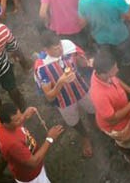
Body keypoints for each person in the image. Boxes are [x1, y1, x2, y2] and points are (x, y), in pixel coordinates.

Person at [34, 30, 95, 158]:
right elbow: (49, 96)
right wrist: (60, 82)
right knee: (74, 121)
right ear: (45, 49)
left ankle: (96, 125)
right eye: (55, 49)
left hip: (81, 88)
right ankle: (85, 137)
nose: (60, 50)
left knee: (93, 109)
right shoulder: (41, 66)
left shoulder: (68, 45)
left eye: (60, 46)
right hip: (64, 100)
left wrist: (87, 62)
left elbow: (80, 61)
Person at [89, 49, 130, 171]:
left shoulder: (101, 73)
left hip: (125, 113)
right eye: (114, 69)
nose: (117, 70)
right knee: (127, 145)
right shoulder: (98, 94)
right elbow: (112, 118)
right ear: (104, 73)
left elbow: (116, 80)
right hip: (117, 127)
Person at [79, 0, 130, 75]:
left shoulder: (83, 2)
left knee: (109, 57)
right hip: (120, 37)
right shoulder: (116, 0)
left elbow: (82, 23)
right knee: (128, 56)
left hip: (101, 39)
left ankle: (114, 69)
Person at [0, 102, 65, 183]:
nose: (21, 119)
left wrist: (24, 116)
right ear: (5, 124)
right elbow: (34, 162)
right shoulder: (12, 144)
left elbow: (18, 120)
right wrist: (49, 139)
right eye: (17, 120)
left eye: (20, 114)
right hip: (31, 176)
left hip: (32, 164)